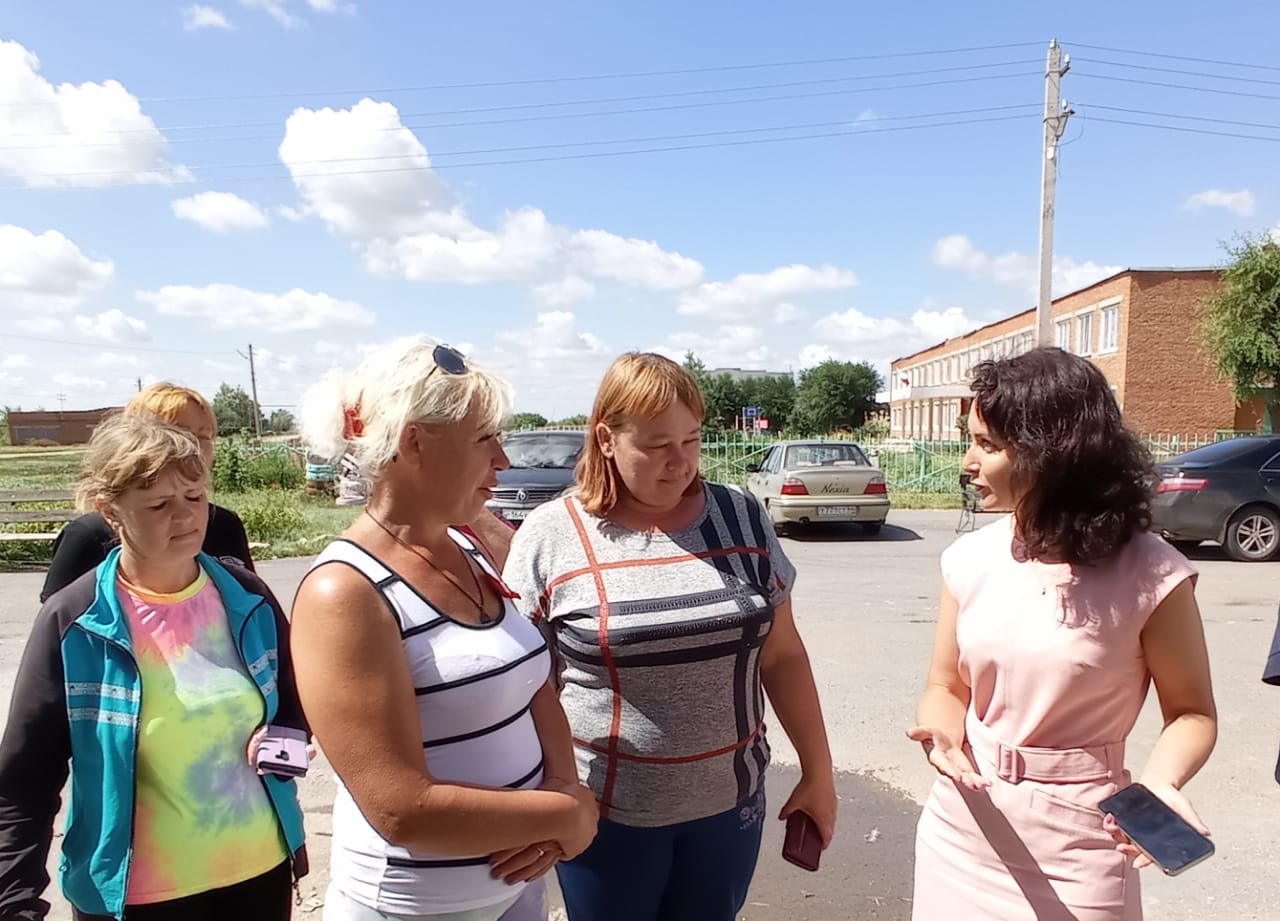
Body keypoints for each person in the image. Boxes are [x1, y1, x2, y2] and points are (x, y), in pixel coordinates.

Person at [502, 352, 837, 921]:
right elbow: (527, 686)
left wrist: (818, 772)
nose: (680, 462)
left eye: (692, 439)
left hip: (729, 809)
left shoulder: (740, 516)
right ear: (606, 440)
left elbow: (782, 657)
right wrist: (541, 797)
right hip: (603, 816)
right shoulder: (552, 534)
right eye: (657, 445)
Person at [289, 337, 598, 921]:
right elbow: (400, 808)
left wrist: (563, 786)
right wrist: (568, 816)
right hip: (413, 907)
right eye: (484, 438)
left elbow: (531, 683)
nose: (502, 458)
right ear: (413, 442)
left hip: (516, 889)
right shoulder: (344, 592)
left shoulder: (466, 546)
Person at [909, 348, 1217, 920]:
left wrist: (1162, 783)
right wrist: (944, 734)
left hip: (1082, 841)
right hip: (962, 826)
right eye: (970, 440)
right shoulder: (968, 558)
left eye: (988, 445)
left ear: (1051, 455)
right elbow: (946, 686)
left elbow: (1192, 713)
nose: (967, 462)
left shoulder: (1154, 574)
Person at [0, 414, 308, 921]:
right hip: (134, 897)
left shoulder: (247, 597)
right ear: (110, 512)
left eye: (194, 497)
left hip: (259, 875)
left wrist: (286, 742)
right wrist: (14, 902)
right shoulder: (75, 621)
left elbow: (298, 701)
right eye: (159, 504)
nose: (185, 517)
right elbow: (25, 777)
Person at [41, 383, 254, 602]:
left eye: (205, 435)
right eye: (181, 433)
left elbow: (250, 604)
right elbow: (63, 613)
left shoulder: (225, 525)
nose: (194, 447)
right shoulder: (88, 536)